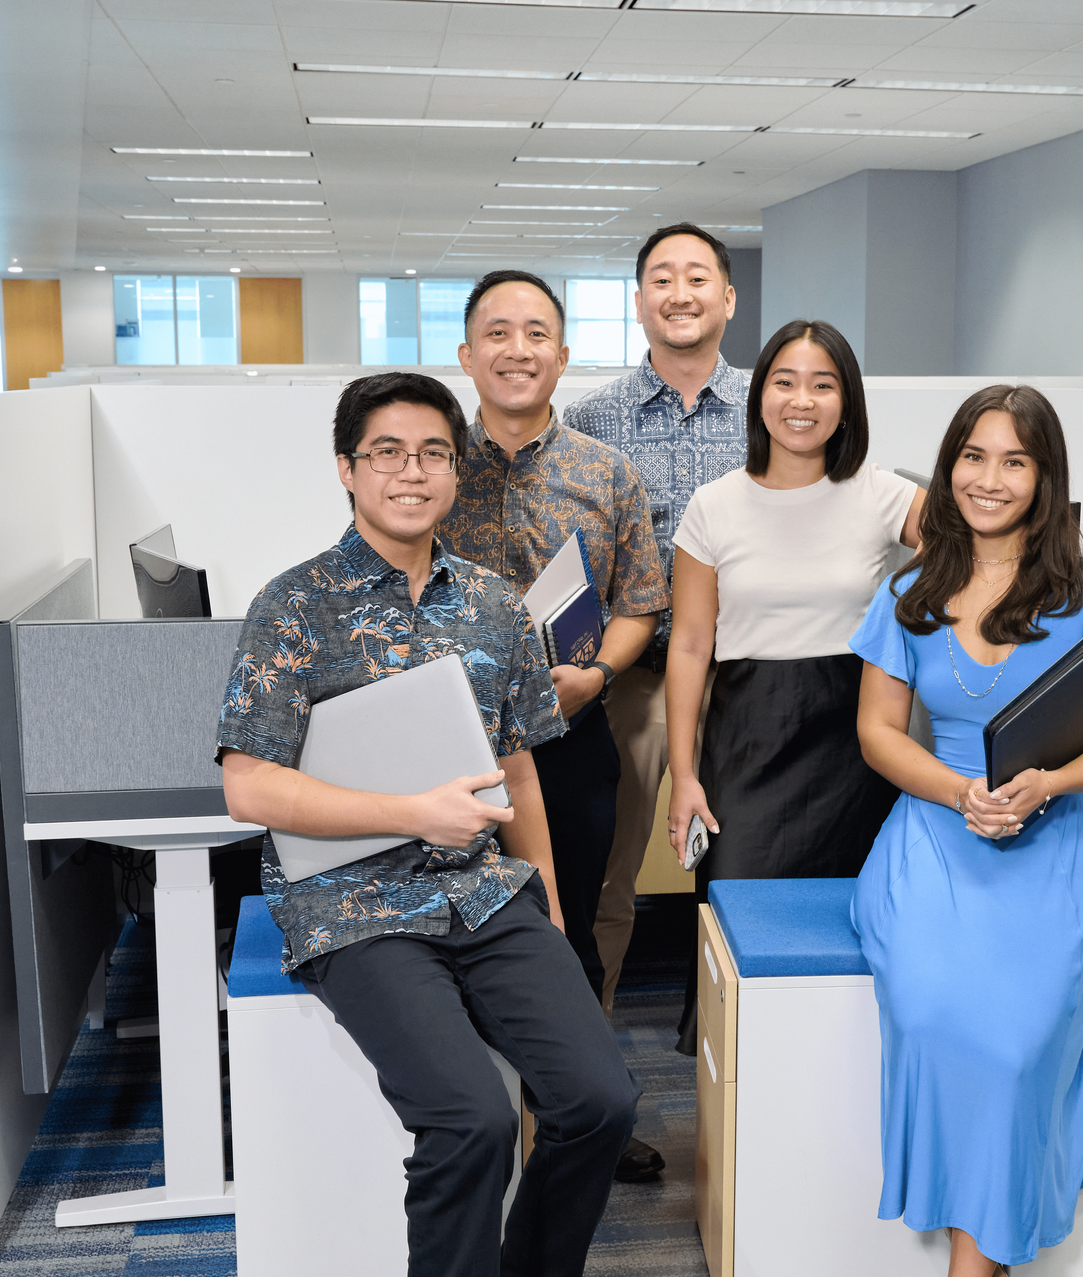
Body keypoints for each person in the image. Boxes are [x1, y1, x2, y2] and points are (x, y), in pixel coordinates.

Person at [217, 372, 639, 1277]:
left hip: (485, 895)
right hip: (349, 905)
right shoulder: (293, 606)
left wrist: (555, 918)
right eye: (387, 453)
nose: (412, 472)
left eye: (433, 454)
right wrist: (413, 814)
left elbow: (518, 763)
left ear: (456, 470)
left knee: (601, 1100)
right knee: (472, 1119)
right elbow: (249, 787)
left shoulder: (495, 605)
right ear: (347, 468)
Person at [848, 385, 1083, 1276]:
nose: (990, 479)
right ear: (949, 469)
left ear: (1044, 476)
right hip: (932, 840)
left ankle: (976, 1260)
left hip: (1049, 842)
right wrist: (958, 793)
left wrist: (1050, 782)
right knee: (928, 1010)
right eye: (973, 457)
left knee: (1020, 1044)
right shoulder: (908, 590)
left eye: (1014, 461)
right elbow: (875, 733)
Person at [439, 270, 671, 1183]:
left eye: (537, 332)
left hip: (572, 737)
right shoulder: (429, 466)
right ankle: (475, 1115)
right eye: (497, 332)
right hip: (448, 743)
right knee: (458, 927)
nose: (517, 349)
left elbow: (643, 602)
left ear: (563, 356)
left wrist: (598, 674)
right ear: (467, 355)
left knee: (573, 924)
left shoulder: (604, 469)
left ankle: (583, 1113)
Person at [665, 319, 925, 1049]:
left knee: (854, 923)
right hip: (749, 737)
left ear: (848, 400)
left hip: (858, 738)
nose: (801, 400)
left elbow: (971, 554)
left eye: (823, 383)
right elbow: (689, 645)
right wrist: (683, 774)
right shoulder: (713, 505)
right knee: (740, 911)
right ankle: (745, 1090)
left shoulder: (882, 495)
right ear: (759, 396)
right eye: (784, 381)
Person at [561, 222, 750, 1014]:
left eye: (698, 277)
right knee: (605, 876)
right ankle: (588, 1079)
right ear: (639, 302)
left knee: (749, 872)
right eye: (662, 279)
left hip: (745, 679)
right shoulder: (587, 420)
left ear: (729, 298)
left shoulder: (769, 407)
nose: (681, 293)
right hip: (631, 678)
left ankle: (745, 1065)